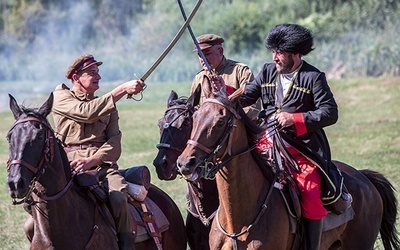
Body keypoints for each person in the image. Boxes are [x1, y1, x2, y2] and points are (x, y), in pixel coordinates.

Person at [215, 24, 345, 250]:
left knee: (310, 192)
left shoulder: (313, 77)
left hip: (301, 149)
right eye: (273, 52)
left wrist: (294, 119)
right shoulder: (267, 71)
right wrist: (224, 90)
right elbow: (245, 97)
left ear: (295, 53)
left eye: (279, 52)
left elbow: (330, 112)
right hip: (265, 142)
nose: (275, 57)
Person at [52, 54, 145, 250]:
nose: (98, 77)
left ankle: (126, 244)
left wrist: (93, 160)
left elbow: (114, 143)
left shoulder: (109, 108)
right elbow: (86, 112)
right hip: (67, 165)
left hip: (101, 167)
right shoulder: (61, 96)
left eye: (98, 72)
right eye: (92, 73)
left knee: (119, 197)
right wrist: (122, 89)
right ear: (76, 78)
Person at [190, 33, 260, 120]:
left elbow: (253, 107)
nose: (202, 59)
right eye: (200, 55)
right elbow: (193, 109)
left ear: (220, 51)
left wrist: (229, 122)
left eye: (207, 54)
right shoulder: (199, 78)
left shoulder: (240, 71)